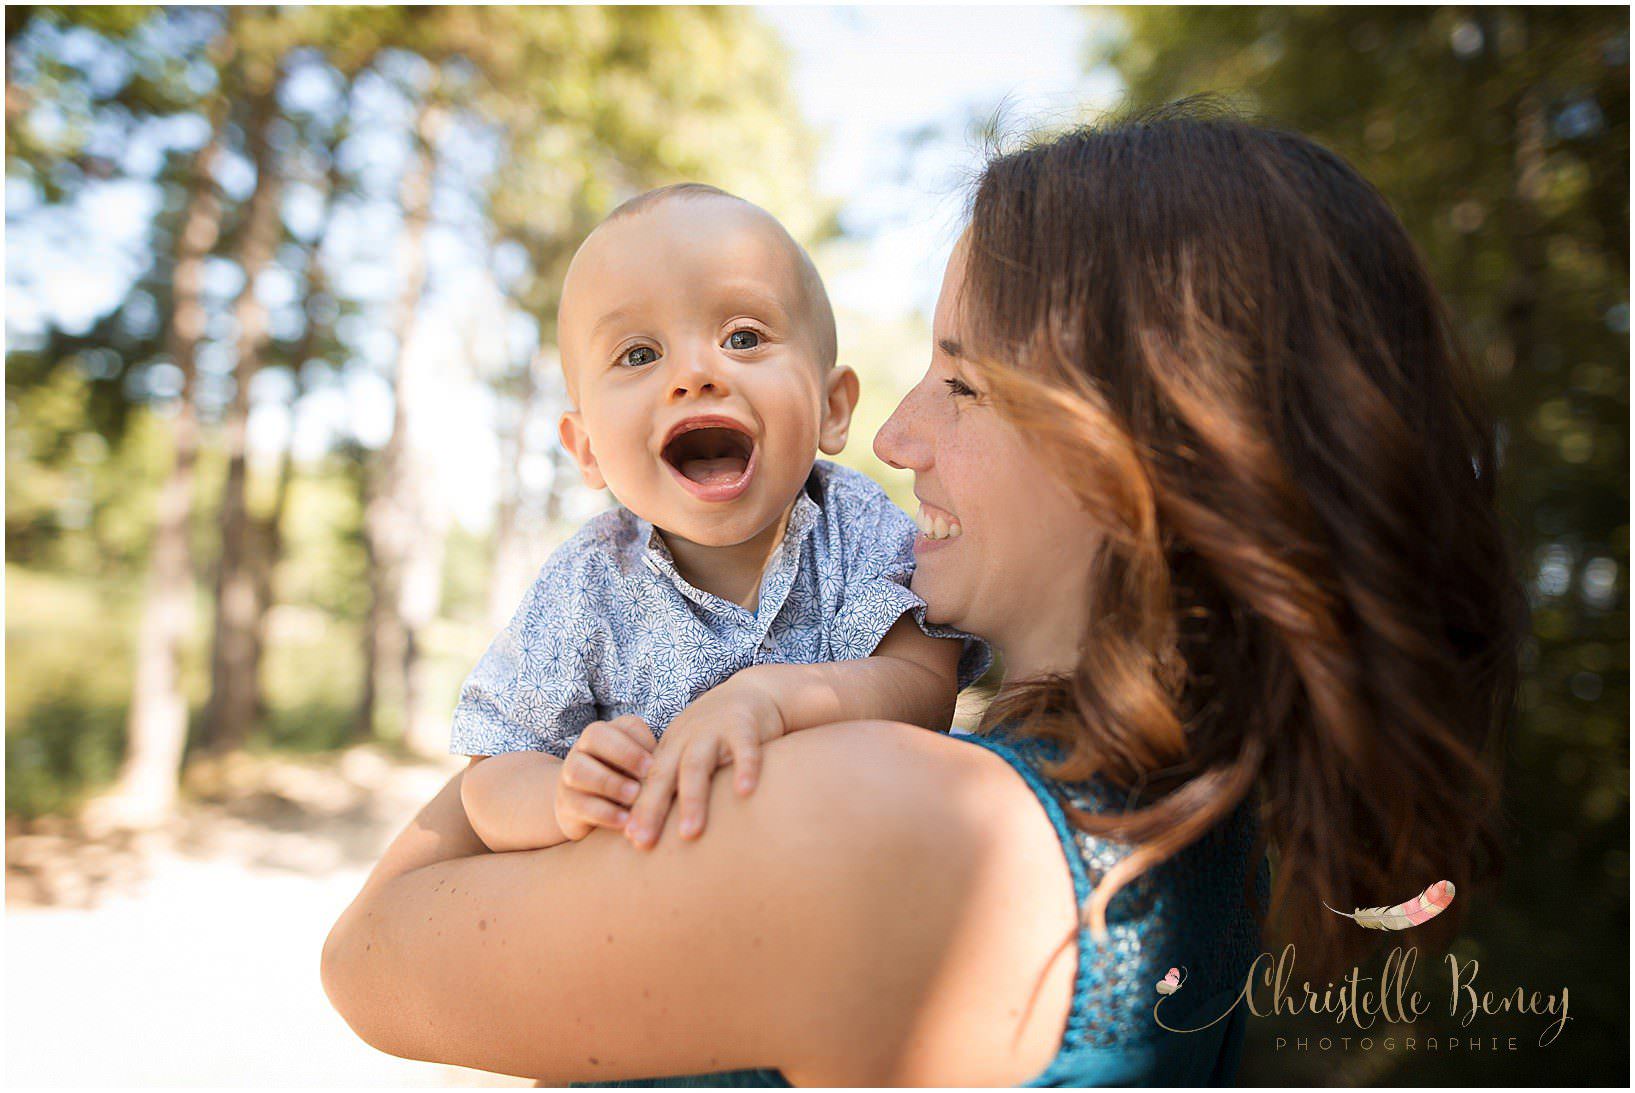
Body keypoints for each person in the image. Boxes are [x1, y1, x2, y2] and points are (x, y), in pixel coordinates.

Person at [322, 105, 1525, 1086]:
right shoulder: (1209, 822)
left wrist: (580, 718)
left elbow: (366, 960)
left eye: (962, 381)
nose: (894, 439)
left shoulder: (888, 826)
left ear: (1151, 448)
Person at [455, 183, 987, 855]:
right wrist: (559, 796)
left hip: (843, 889)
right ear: (587, 448)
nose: (694, 373)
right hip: (662, 915)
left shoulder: (853, 526)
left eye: (742, 337)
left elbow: (923, 684)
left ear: (831, 408)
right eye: (640, 354)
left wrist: (774, 698)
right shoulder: (586, 583)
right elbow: (493, 767)